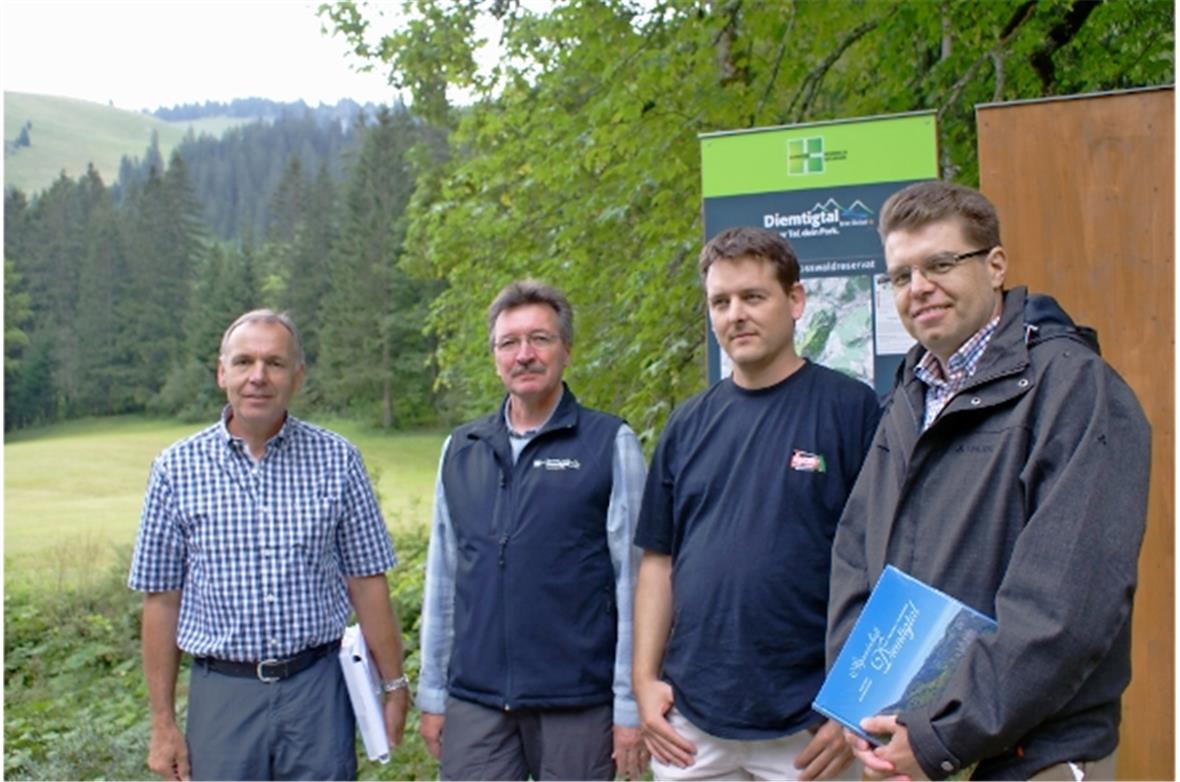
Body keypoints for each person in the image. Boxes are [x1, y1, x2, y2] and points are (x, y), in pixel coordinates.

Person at [826, 180, 1151, 781]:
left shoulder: (1075, 390)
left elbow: (1064, 610)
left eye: (940, 264)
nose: (919, 287)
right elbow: (855, 557)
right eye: (901, 276)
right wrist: (857, 697)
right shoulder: (908, 398)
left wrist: (938, 735)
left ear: (995, 264)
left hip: (1030, 755)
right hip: (905, 747)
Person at [632, 226, 881, 781]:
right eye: (720, 301)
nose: (735, 314)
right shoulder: (688, 424)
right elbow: (658, 559)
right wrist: (644, 682)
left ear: (795, 301)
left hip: (810, 725)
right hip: (692, 723)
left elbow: (885, 564)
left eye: (753, 297)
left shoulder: (852, 411)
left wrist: (855, 702)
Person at [128, 309, 409, 781]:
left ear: (296, 377)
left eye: (275, 364)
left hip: (318, 691)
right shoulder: (175, 470)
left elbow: (367, 582)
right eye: (244, 362)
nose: (258, 377)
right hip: (223, 694)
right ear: (223, 373)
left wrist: (394, 684)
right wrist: (162, 724)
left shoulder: (337, 460)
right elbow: (161, 601)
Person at [416, 279, 649, 781]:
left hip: (578, 703)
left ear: (566, 348)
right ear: (495, 356)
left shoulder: (610, 443)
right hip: (476, 703)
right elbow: (442, 583)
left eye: (539, 339)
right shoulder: (462, 449)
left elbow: (637, 585)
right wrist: (432, 694)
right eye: (509, 342)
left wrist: (630, 705)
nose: (524, 355)